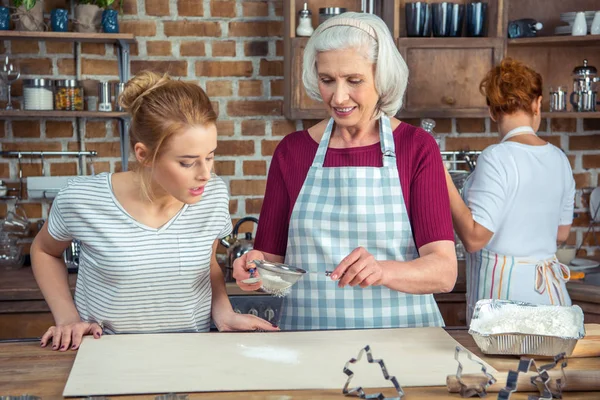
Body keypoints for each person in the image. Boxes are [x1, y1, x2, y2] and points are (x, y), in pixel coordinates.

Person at [233, 12, 457, 330]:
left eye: (354, 80)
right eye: (327, 80)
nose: (338, 97)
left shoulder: (416, 147)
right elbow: (270, 261)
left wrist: (383, 270)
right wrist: (253, 269)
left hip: (404, 340)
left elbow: (444, 272)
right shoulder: (292, 151)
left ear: (382, 77)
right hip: (309, 342)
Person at [31, 71, 277, 351]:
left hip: (191, 355)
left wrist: (224, 314)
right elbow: (44, 251)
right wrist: (67, 319)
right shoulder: (82, 198)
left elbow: (207, 263)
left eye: (210, 157)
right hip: (105, 357)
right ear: (143, 154)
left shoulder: (212, 195)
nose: (206, 174)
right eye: (187, 163)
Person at [444, 58, 576, 322]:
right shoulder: (559, 158)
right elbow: (561, 233)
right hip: (553, 299)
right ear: (537, 104)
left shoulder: (496, 157)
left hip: (505, 305)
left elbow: (474, 238)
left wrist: (442, 177)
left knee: (504, 366)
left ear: (492, 111)